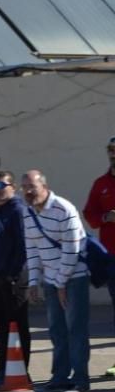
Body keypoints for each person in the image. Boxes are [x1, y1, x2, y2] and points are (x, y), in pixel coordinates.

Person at [23, 170, 90, 392]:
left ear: (44, 186)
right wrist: (34, 281)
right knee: (57, 330)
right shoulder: (27, 213)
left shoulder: (64, 209)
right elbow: (31, 249)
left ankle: (81, 381)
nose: (28, 192)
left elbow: (72, 250)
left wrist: (61, 283)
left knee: (76, 330)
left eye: (32, 186)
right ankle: (60, 378)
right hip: (52, 280)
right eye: (25, 187)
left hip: (74, 278)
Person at [0, 172, 31, 387]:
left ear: (13, 187)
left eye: (2, 185)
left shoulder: (18, 210)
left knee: (17, 325)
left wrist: (13, 274)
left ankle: (21, 370)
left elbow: (23, 246)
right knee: (0, 324)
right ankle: (3, 367)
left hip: (14, 278)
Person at [82, 135, 115, 376]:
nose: (113, 153)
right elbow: (90, 214)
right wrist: (105, 218)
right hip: (111, 257)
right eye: (110, 150)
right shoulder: (100, 183)